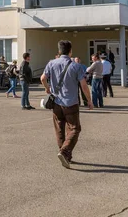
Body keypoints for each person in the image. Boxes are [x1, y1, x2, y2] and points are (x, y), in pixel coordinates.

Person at [41, 40, 93, 169]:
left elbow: (42, 78)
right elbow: (84, 85)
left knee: (59, 128)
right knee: (75, 128)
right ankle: (64, 151)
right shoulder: (75, 66)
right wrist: (89, 101)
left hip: (56, 103)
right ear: (70, 51)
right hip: (71, 103)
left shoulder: (51, 63)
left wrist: (47, 88)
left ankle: (64, 153)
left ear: (59, 50)